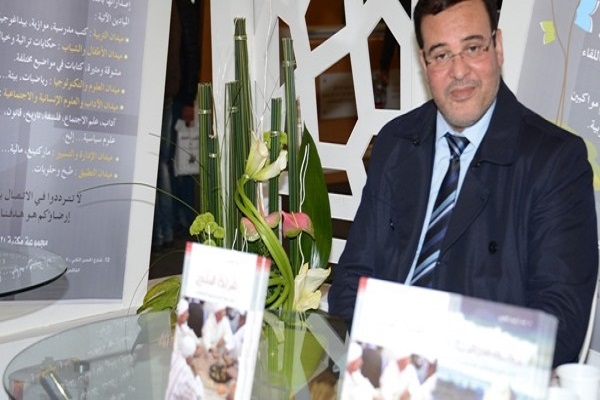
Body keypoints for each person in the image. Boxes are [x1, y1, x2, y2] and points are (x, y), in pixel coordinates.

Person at [328, 0, 598, 368]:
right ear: (424, 63)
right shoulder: (396, 142)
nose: (458, 71)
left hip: (483, 380)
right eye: (441, 55)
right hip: (380, 369)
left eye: (472, 48)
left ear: (497, 47)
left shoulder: (555, 161)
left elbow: (559, 329)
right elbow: (350, 282)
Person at [152, 0, 200, 252]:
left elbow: (191, 52)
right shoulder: (178, 7)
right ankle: (170, 227)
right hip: (171, 91)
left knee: (163, 163)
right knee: (166, 163)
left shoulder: (173, 8)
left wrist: (189, 98)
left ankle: (165, 230)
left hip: (167, 92)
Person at [165, 335, 205, 399]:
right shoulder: (187, 375)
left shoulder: (173, 356)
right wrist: (197, 376)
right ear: (191, 357)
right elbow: (198, 397)